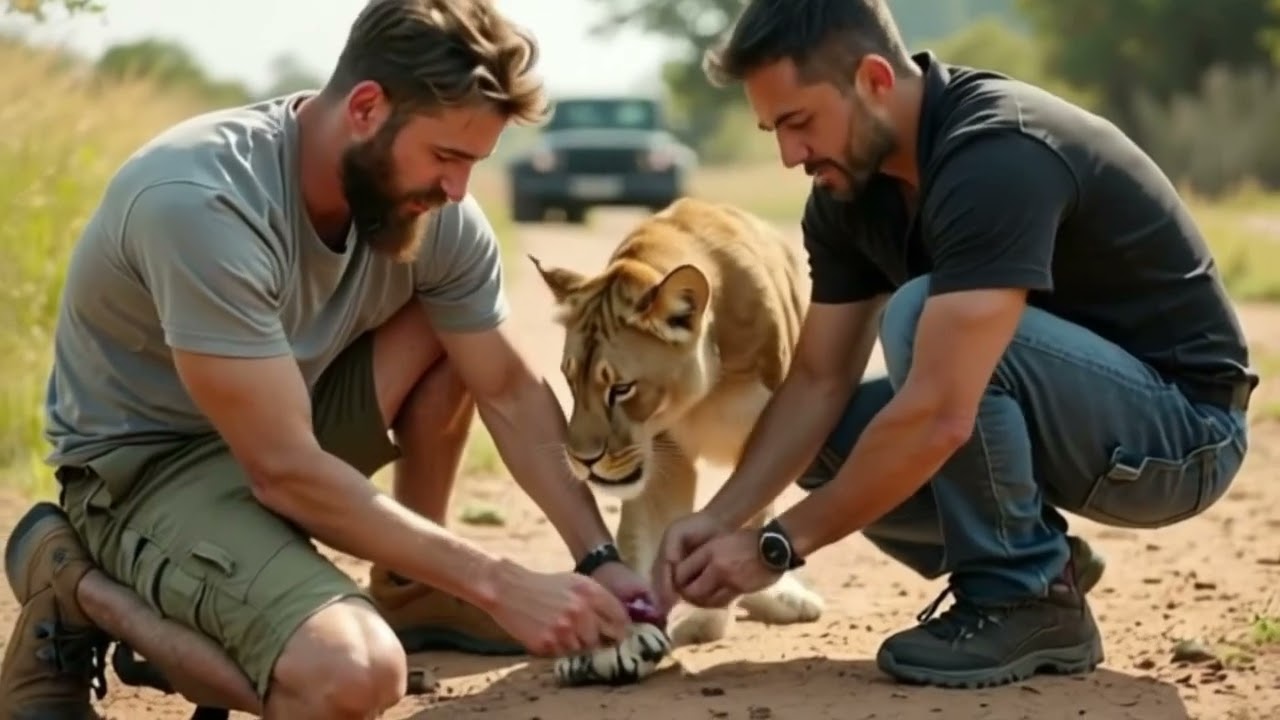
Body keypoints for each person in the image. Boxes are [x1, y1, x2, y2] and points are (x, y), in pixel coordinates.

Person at [0, 1, 657, 718]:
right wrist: (499, 582)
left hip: (286, 425)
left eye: (474, 163)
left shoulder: (435, 213)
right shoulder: (199, 200)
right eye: (446, 157)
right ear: (368, 108)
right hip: (150, 472)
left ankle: (415, 592)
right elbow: (280, 471)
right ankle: (81, 591)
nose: (459, 190)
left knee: (453, 331)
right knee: (355, 675)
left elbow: (503, 386)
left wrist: (600, 559)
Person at [651, 0, 1257, 690]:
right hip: (1079, 420)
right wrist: (718, 518)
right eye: (774, 131)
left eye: (798, 122)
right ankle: (1041, 565)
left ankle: (1019, 591)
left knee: (917, 315)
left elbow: (941, 411)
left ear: (875, 81)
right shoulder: (848, 192)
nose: (790, 154)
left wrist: (773, 547)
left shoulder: (997, 151)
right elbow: (817, 379)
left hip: (1181, 437)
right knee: (827, 431)